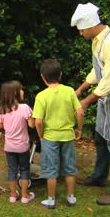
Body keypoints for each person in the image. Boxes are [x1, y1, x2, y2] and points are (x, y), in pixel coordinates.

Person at [71, 2, 110, 205]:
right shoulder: (97, 41)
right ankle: (99, 177)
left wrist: (85, 103)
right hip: (106, 98)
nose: (80, 34)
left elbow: (107, 82)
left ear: (90, 26)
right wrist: (80, 89)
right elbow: (96, 71)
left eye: (81, 30)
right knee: (101, 139)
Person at [32, 59, 84, 209]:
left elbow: (38, 122)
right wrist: (79, 129)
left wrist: (41, 135)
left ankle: (51, 199)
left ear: (43, 77)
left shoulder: (41, 96)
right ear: (61, 74)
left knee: (51, 169)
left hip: (49, 137)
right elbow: (80, 113)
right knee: (69, 167)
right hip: (68, 136)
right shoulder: (69, 91)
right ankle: (71, 197)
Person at [0, 80, 35, 204]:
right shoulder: (24, 108)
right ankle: (24, 196)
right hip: (23, 146)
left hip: (9, 146)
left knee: (12, 169)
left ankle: (12, 195)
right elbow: (32, 125)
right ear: (16, 93)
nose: (23, 91)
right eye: (21, 89)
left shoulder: (2, 109)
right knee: (24, 169)